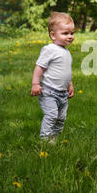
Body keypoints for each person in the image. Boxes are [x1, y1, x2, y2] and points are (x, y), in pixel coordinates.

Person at [31, 12, 75, 143]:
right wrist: (35, 84)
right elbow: (39, 67)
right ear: (53, 35)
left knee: (61, 118)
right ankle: (44, 140)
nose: (70, 36)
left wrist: (70, 85)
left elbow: (65, 71)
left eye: (72, 33)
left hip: (62, 93)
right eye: (65, 33)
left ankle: (53, 138)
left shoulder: (66, 52)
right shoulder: (49, 49)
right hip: (49, 91)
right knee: (51, 115)